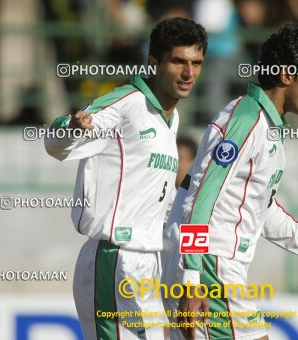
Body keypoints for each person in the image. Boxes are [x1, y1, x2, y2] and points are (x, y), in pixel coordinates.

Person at [162, 23, 298, 340]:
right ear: (287, 75)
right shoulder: (246, 119)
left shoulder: (267, 126)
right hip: (210, 266)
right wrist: (192, 276)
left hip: (213, 266)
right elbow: (200, 198)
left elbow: (263, 209)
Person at [44, 17, 207, 340]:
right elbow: (55, 141)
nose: (188, 73)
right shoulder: (126, 103)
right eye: (178, 62)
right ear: (153, 63)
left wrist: (192, 279)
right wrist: (71, 127)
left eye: (196, 63)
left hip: (148, 262)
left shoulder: (169, 120)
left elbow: (183, 208)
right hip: (114, 257)